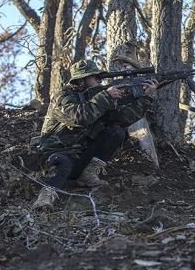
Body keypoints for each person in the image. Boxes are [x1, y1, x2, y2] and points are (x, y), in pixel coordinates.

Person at [32, 58, 158, 209]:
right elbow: (80, 118)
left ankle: (88, 175)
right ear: (81, 80)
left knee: (117, 132)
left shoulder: (96, 99)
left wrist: (146, 98)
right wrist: (106, 96)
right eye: (95, 77)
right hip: (56, 154)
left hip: (80, 156)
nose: (100, 80)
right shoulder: (63, 97)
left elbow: (122, 118)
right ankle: (45, 197)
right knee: (63, 163)